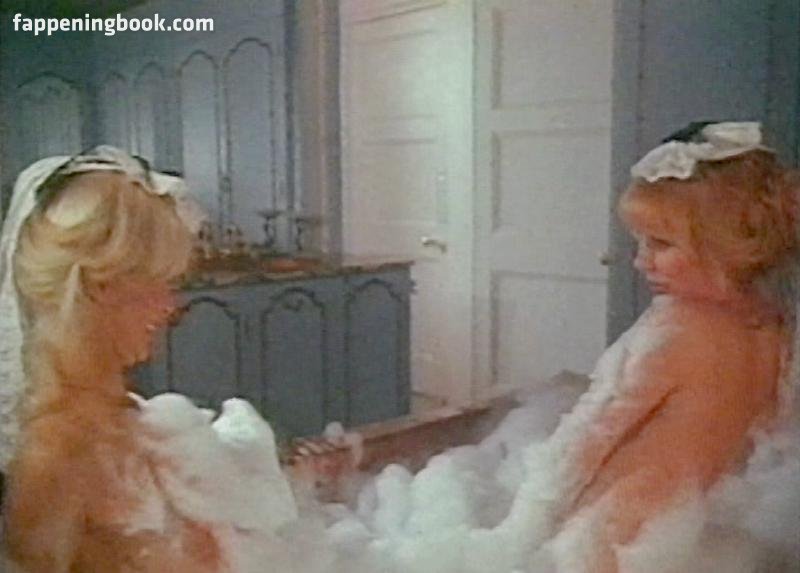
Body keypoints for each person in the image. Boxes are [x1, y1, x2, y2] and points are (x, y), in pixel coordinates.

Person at [0, 147, 297, 572]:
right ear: (100, 289)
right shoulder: (56, 456)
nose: (171, 306)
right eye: (158, 284)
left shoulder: (117, 413)